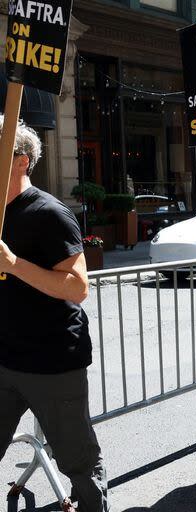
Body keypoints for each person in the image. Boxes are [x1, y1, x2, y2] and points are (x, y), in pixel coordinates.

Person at [0, 117, 109, 511]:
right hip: (5, 358)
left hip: (53, 363)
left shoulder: (49, 212)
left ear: (21, 162)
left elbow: (78, 287)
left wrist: (13, 263)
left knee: (78, 462)